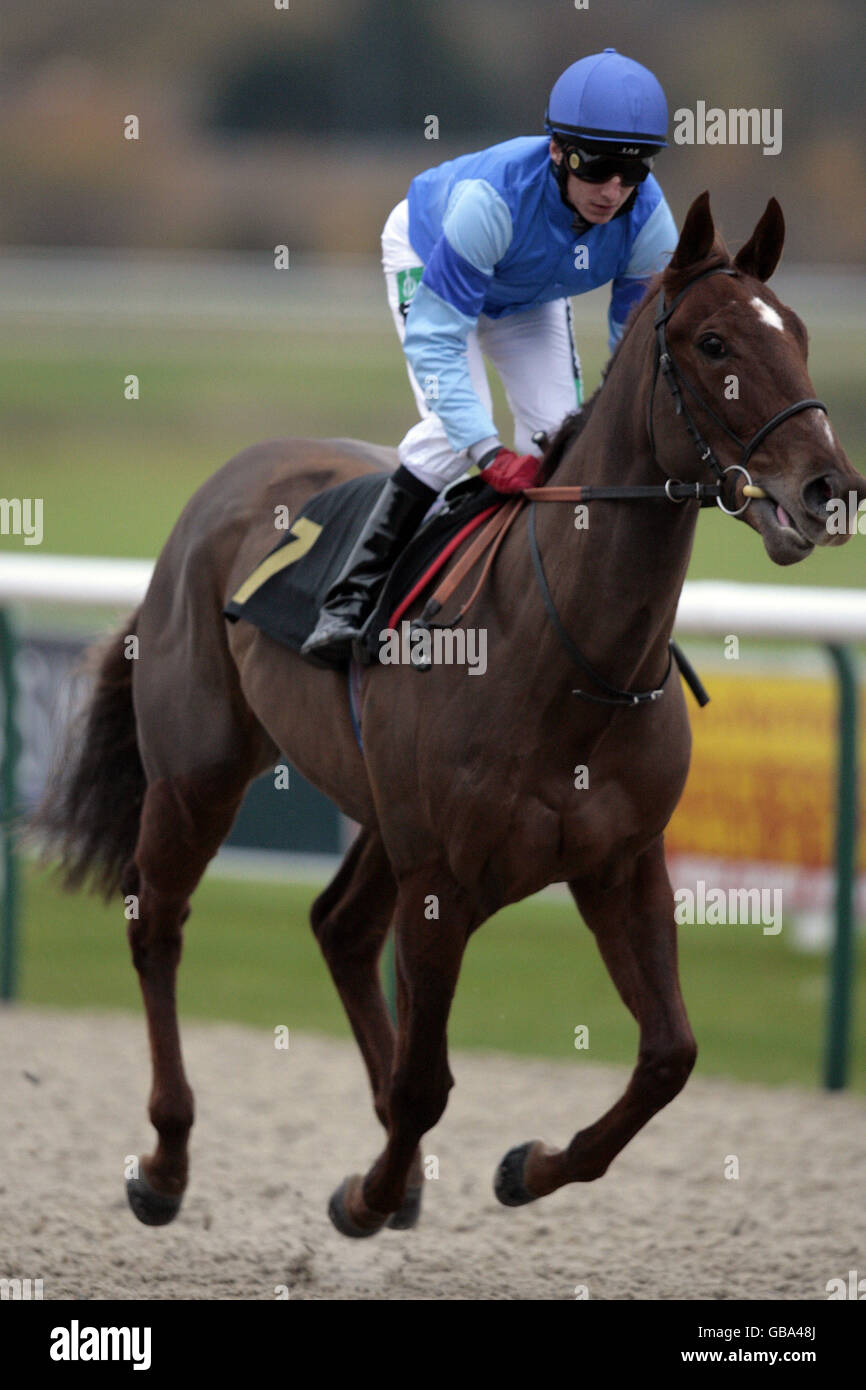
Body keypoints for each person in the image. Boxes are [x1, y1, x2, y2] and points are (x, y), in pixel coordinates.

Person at [302, 47, 678, 667]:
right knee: (452, 435)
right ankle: (349, 600)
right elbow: (437, 338)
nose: (614, 191)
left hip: (525, 292)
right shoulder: (491, 202)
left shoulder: (649, 219)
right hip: (434, 257)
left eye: (633, 171)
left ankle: (537, 608)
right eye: (600, 167)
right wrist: (485, 450)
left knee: (557, 440)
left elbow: (635, 348)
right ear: (558, 150)